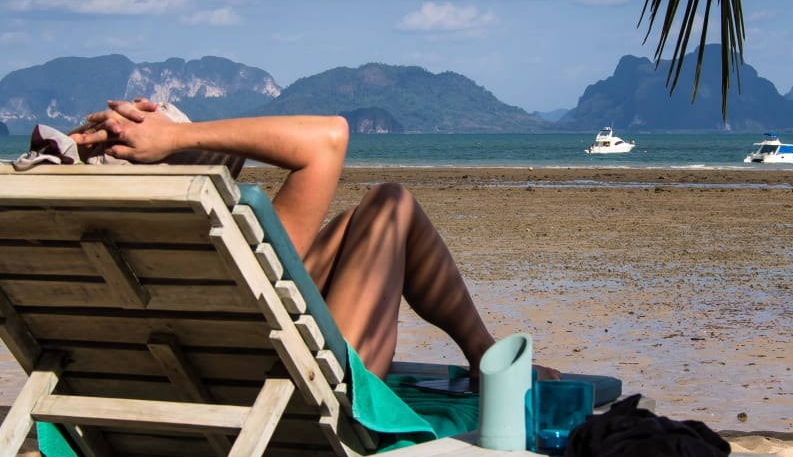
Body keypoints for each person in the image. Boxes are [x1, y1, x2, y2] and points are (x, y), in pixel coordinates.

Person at [70, 98, 560, 383]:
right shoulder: (213, 241)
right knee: (391, 204)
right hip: (301, 386)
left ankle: (484, 357)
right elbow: (329, 137)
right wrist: (179, 136)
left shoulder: (93, 250)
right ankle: (488, 363)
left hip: (195, 376)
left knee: (359, 222)